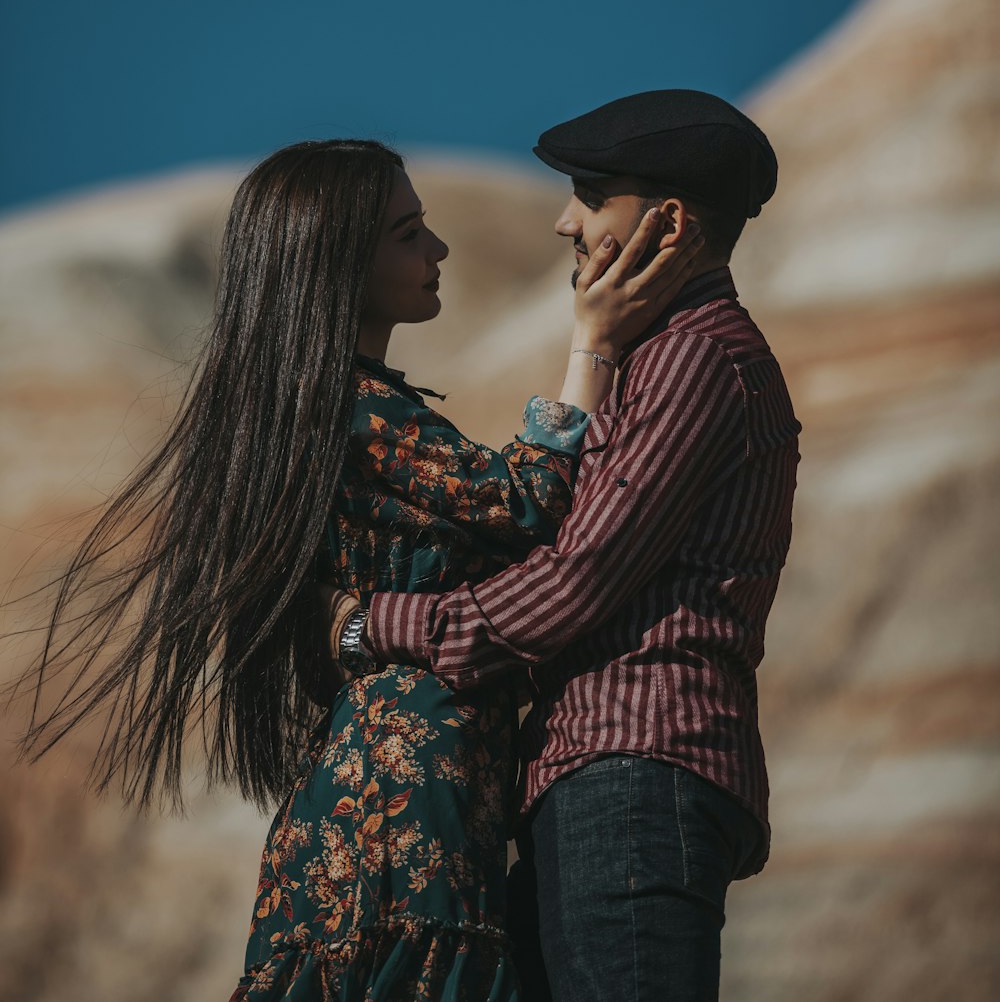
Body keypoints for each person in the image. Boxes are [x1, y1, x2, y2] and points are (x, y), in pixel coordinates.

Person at [18, 138, 701, 1001]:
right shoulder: (352, 407)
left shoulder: (311, 410)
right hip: (408, 794)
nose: (439, 251)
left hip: (361, 791)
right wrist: (592, 343)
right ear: (338, 264)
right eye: (408, 234)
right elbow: (524, 504)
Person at [327, 91, 802, 1002]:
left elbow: (572, 586)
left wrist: (369, 625)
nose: (564, 221)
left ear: (665, 220)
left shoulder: (693, 358)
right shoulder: (655, 353)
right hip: (603, 772)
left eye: (589, 194)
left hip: (633, 765)